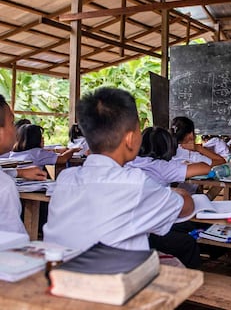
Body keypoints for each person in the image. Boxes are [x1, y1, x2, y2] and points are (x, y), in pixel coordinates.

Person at [43, 87, 194, 252]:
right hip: (117, 276)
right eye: (139, 130)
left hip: (61, 272)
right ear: (130, 139)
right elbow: (186, 207)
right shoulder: (135, 183)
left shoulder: (65, 178)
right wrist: (179, 192)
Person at [127, 126, 209, 268]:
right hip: (147, 231)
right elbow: (205, 167)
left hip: (133, 225)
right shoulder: (161, 166)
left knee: (182, 227)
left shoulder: (129, 162)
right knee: (188, 241)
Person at [0, 96, 46, 235]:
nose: (15, 130)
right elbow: (14, 243)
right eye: (12, 122)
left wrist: (19, 173)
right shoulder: (5, 187)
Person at [9, 124, 78, 169]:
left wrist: (56, 150)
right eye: (41, 136)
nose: (43, 138)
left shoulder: (14, 152)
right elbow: (63, 159)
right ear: (35, 139)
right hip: (32, 187)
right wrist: (72, 150)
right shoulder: (38, 153)